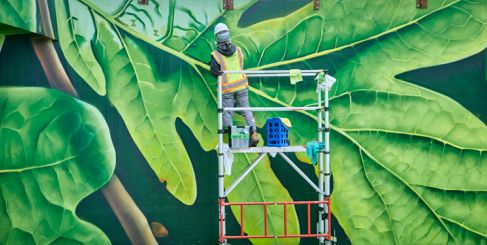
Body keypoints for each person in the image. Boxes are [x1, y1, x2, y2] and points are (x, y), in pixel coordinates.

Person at [210, 23, 259, 146]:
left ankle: (233, 137)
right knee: (246, 109)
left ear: (216, 37)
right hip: (241, 86)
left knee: (227, 112)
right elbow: (240, 62)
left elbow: (215, 72)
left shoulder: (215, 55)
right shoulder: (238, 50)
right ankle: (254, 132)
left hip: (227, 89)